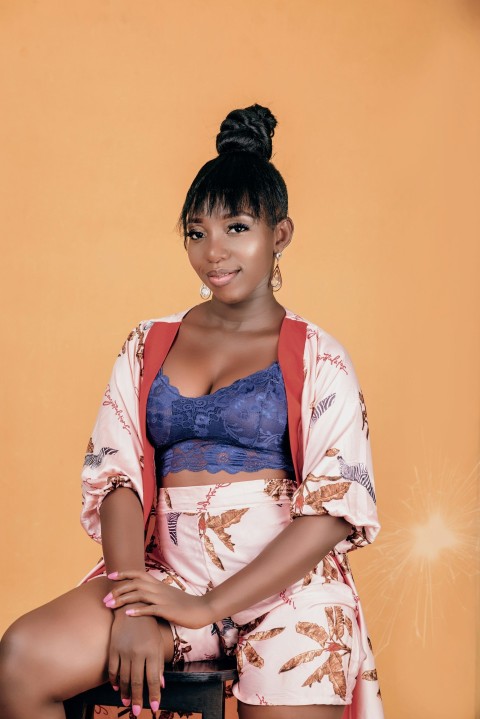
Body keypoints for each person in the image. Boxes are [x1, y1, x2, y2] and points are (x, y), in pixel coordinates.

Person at [0, 104, 383, 719]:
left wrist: (207, 610)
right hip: (163, 580)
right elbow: (116, 477)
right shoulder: (147, 343)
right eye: (196, 231)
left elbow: (334, 511)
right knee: (22, 658)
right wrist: (134, 603)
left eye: (236, 228)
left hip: (292, 596)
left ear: (279, 234)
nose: (213, 252)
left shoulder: (319, 356)